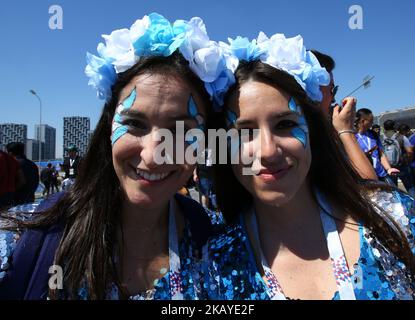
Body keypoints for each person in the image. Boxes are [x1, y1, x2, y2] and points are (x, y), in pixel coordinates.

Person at [0, 13, 233, 299]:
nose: (152, 156)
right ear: (108, 128)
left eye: (181, 130)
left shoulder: (219, 243)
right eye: (135, 124)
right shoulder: (24, 237)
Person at [202, 33, 415, 300]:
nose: (268, 151)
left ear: (312, 131)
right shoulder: (214, 266)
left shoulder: (394, 216)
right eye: (245, 132)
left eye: (285, 124)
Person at [311, 50, 377, 181]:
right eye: (332, 90)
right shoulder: (313, 136)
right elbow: (370, 184)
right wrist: (346, 131)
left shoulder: (260, 131)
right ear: (313, 90)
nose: (334, 99)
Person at [355, 108, 400, 184]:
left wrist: (389, 169)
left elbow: (381, 154)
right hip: (365, 177)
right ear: (363, 121)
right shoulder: (352, 137)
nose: (372, 123)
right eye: (371, 121)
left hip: (381, 175)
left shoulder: (374, 135)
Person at [381, 120, 415, 195]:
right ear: (394, 127)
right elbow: (410, 152)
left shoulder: (380, 138)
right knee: (410, 187)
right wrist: (408, 161)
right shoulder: (401, 137)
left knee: (393, 189)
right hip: (402, 165)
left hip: (388, 168)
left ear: (384, 128)